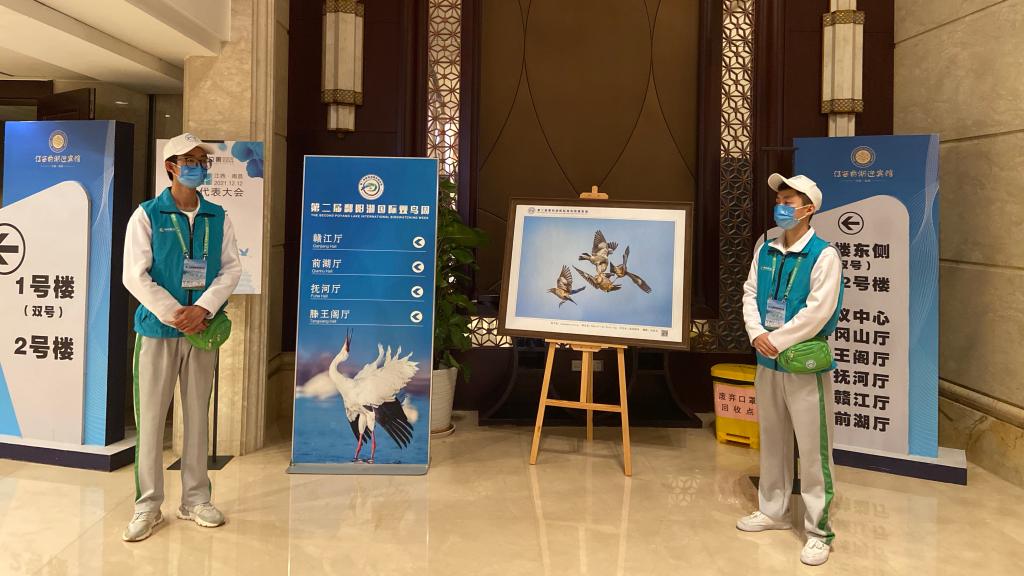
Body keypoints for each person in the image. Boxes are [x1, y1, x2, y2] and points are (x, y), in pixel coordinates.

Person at [121, 133, 241, 542]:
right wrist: (176, 313)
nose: (197, 167)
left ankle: (195, 499)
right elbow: (134, 274)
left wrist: (202, 309)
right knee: (152, 419)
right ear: (170, 167)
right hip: (157, 331)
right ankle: (147, 506)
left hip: (202, 332)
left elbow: (230, 269)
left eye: (201, 161)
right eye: (188, 160)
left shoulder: (217, 216)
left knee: (197, 417)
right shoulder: (147, 215)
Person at [736, 173, 844, 566]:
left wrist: (778, 339)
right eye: (779, 200)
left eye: (789, 202)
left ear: (808, 209)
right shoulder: (765, 246)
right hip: (766, 360)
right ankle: (773, 510)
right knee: (773, 437)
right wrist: (757, 334)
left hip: (802, 363)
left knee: (813, 448)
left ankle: (819, 531)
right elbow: (750, 292)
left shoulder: (824, 255)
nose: (781, 207)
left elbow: (819, 311)